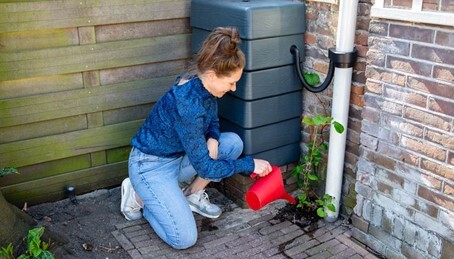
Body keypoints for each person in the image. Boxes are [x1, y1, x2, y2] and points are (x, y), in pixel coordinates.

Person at [120, 27, 272, 250]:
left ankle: (190, 194)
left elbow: (213, 120)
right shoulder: (188, 105)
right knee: (184, 239)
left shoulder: (203, 83)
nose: (234, 88)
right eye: (231, 82)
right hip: (150, 166)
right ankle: (138, 197)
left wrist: (212, 137)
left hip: (179, 158)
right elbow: (206, 167)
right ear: (212, 75)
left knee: (231, 144)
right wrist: (250, 164)